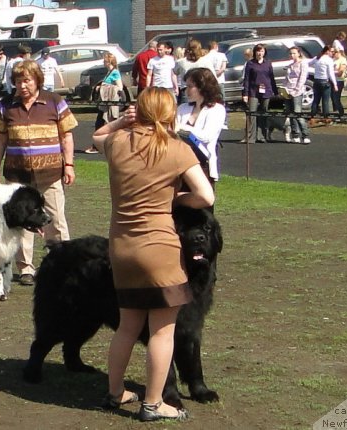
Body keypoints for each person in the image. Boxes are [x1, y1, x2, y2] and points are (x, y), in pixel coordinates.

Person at [91, 87, 214, 423]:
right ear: (170, 114)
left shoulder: (117, 144)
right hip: (160, 249)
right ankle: (153, 402)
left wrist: (119, 122)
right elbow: (204, 195)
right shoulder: (177, 149)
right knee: (162, 330)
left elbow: (97, 134)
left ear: (139, 111)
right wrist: (176, 200)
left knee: (127, 326)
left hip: (122, 248)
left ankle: (115, 392)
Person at [0, 60, 77, 286]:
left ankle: (61, 264)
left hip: (51, 174)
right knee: (22, 222)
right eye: (18, 81)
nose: (22, 85)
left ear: (37, 79)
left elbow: (66, 136)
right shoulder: (6, 105)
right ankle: (26, 268)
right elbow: (0, 138)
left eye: (27, 80)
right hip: (18, 177)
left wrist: (69, 165)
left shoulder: (55, 102)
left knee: (56, 220)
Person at [176, 67, 226, 188]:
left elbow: (206, 136)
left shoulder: (217, 109)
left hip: (203, 166)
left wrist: (181, 127)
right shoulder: (183, 108)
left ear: (203, 87)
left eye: (190, 86)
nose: (186, 90)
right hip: (179, 165)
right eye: (185, 86)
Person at [86, 52, 122, 154]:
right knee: (100, 122)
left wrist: (104, 87)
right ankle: (99, 145)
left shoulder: (115, 72)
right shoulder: (108, 73)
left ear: (108, 61)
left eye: (105, 61)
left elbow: (119, 87)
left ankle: (99, 146)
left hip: (109, 102)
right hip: (104, 102)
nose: (103, 62)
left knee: (103, 123)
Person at [242, 43, 277, 143]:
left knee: (263, 113)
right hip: (253, 91)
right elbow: (247, 79)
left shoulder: (268, 63)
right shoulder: (250, 64)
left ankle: (261, 136)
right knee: (252, 113)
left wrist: (275, 91)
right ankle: (250, 137)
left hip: (266, 91)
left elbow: (271, 78)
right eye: (258, 51)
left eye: (261, 51)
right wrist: (245, 93)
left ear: (264, 52)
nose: (259, 53)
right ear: (255, 52)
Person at [282, 47, 311, 144]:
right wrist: (284, 88)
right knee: (291, 114)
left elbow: (302, 78)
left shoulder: (303, 63)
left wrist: (296, 90)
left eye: (294, 53)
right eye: (290, 53)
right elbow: (286, 79)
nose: (292, 55)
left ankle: (305, 135)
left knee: (297, 113)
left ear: (299, 53)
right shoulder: (290, 65)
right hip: (288, 91)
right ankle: (295, 135)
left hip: (297, 92)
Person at [174, 39, 216, 104]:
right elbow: (213, 77)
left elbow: (175, 71)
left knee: (186, 112)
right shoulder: (206, 61)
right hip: (202, 91)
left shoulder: (181, 62)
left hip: (186, 91)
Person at [309, 45, 337, 125]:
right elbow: (331, 73)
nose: (333, 53)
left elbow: (309, 63)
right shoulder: (329, 60)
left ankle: (312, 117)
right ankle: (326, 118)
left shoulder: (317, 58)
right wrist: (335, 84)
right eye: (332, 52)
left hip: (316, 81)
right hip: (325, 81)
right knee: (325, 101)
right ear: (327, 51)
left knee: (315, 101)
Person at [331, 48, 347, 121]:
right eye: (333, 52)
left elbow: (340, 72)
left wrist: (332, 72)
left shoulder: (343, 60)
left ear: (339, 52)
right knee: (332, 98)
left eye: (335, 52)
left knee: (336, 98)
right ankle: (336, 113)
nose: (334, 54)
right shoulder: (332, 60)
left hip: (339, 81)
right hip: (332, 80)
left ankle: (342, 114)